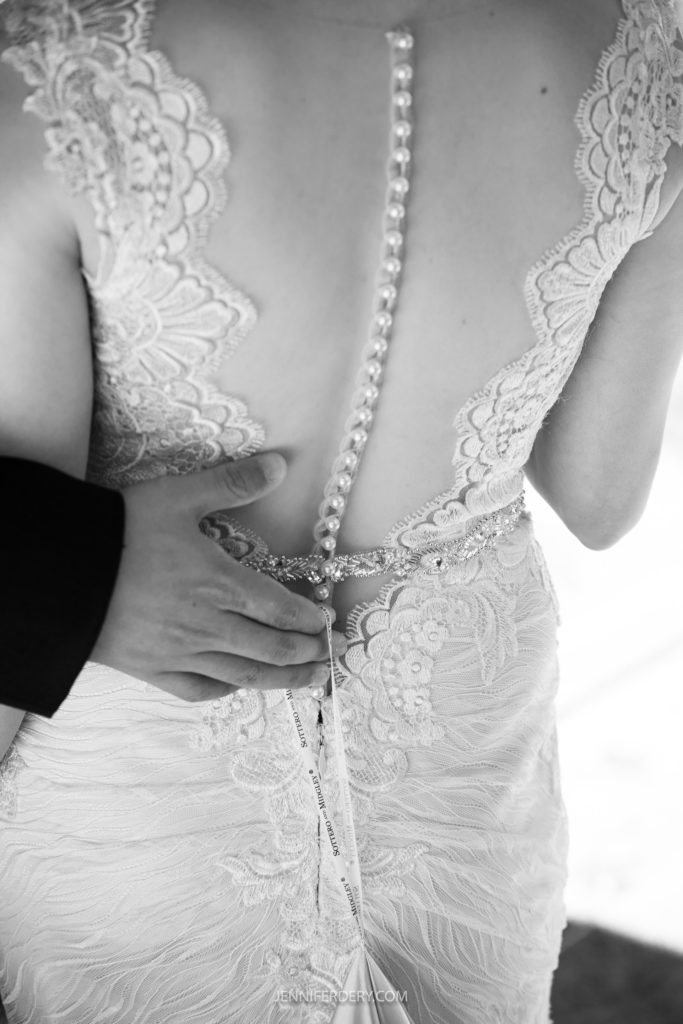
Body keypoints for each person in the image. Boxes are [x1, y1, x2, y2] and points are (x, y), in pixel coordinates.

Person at [1, 0, 682, 1021]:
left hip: (140, 756)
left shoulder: (59, 72)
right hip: (463, 769)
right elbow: (598, 496)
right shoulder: (640, 52)